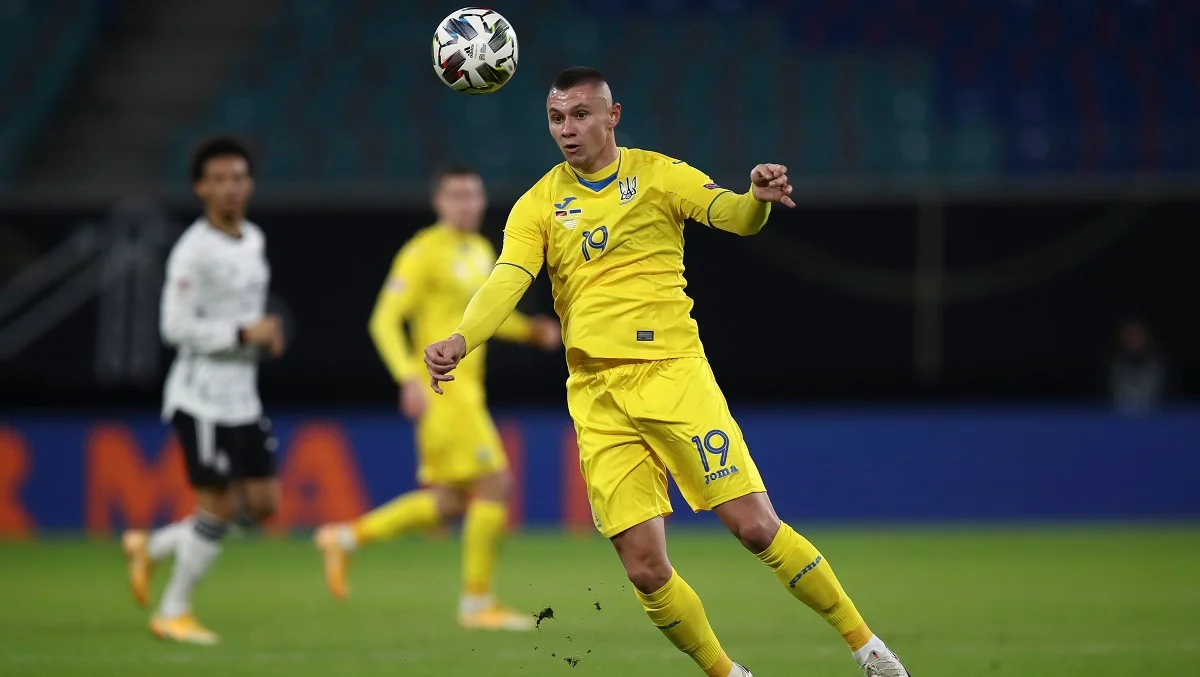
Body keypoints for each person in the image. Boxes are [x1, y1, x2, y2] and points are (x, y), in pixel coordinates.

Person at [423, 67, 913, 676]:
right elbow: (508, 278)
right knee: (644, 568)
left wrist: (755, 199)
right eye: (556, 118)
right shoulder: (538, 203)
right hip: (597, 395)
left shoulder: (658, 176)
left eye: (580, 114)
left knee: (756, 527)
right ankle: (728, 674)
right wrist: (462, 339)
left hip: (673, 376)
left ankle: (869, 649)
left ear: (612, 116)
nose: (567, 129)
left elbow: (732, 214)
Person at [315, 166, 561, 631]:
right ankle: (477, 603)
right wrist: (406, 377)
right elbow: (383, 320)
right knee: (496, 484)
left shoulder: (482, 250)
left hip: (468, 390)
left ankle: (344, 538)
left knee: (450, 502)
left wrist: (531, 331)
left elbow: (484, 317)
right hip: (443, 389)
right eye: (456, 195)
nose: (466, 204)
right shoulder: (422, 252)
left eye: (473, 194)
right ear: (438, 202)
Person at [122, 135, 285, 645]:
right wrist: (241, 334)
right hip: (202, 398)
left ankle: (152, 547)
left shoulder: (253, 239)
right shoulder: (192, 251)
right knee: (215, 506)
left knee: (263, 505)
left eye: (238, 177)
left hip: (243, 396)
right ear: (200, 188)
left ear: (250, 184)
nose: (230, 187)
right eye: (218, 180)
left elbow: (246, 313)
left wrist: (265, 333)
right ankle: (173, 611)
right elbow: (173, 327)